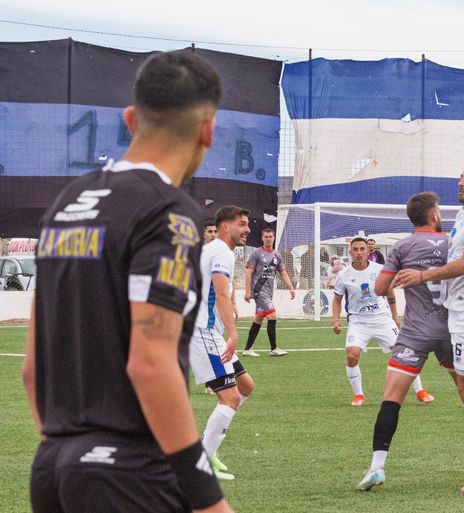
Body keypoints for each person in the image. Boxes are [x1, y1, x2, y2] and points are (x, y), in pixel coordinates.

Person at [22, 51, 231, 512]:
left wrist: (69, 456)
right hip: (129, 473)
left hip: (52, 466)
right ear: (208, 130)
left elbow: (32, 367)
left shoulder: (67, 202)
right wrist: (207, 500)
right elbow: (149, 362)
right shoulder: (169, 212)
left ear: (131, 119)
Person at [357, 192, 464, 491]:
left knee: (391, 399)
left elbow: (381, 288)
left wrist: (404, 275)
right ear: (434, 216)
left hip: (415, 333)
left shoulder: (402, 246)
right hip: (451, 326)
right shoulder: (453, 242)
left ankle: (377, 466)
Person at [190, 206, 256, 480]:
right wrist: (232, 333)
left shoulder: (215, 250)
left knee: (245, 386)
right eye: (242, 224)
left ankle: (208, 447)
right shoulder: (220, 251)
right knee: (228, 398)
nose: (247, 229)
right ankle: (201, 465)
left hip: (207, 330)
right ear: (225, 226)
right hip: (203, 331)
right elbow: (219, 292)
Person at [332, 237, 434, 407]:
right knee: (351, 355)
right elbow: (337, 300)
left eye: (362, 249)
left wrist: (394, 316)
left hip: (382, 319)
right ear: (350, 252)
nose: (359, 252)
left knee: (404, 354)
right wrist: (336, 320)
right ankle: (359, 395)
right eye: (355, 249)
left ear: (368, 251)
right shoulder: (344, 275)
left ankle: (420, 391)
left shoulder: (380, 270)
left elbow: (390, 293)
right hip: (359, 322)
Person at [243, 227, 295, 357]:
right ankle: (274, 348)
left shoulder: (277, 255)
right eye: (266, 237)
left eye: (270, 237)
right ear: (262, 238)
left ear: (274, 238)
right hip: (259, 291)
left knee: (259, 318)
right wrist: (247, 291)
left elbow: (283, 273)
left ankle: (247, 349)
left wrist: (291, 288)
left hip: (269, 291)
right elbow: (249, 273)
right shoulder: (256, 253)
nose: (268, 239)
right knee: (272, 315)